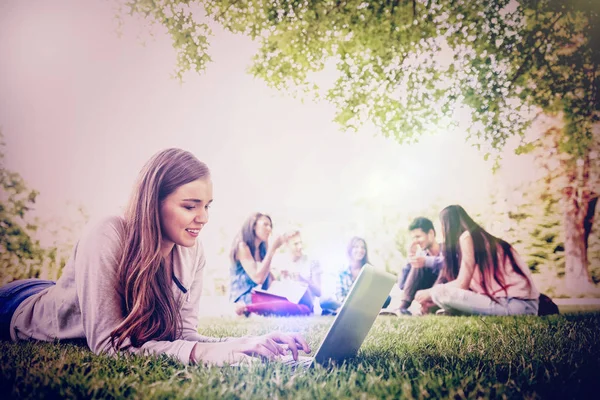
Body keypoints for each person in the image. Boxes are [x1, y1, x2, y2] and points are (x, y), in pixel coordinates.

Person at [0, 148, 310, 366]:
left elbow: (182, 335)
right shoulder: (107, 234)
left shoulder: (192, 251)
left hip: (60, 291)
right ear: (152, 203)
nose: (203, 218)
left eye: (207, 206)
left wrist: (248, 343)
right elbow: (108, 347)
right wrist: (204, 355)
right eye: (190, 207)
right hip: (16, 306)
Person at [416, 205, 540, 316]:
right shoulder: (479, 238)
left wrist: (430, 292)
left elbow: (461, 284)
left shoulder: (467, 237)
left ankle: (451, 309)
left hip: (516, 304)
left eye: (442, 226)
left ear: (448, 225)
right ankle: (450, 310)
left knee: (439, 292)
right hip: (522, 304)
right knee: (441, 294)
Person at [229, 212, 297, 314]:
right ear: (253, 226)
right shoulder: (242, 247)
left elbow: (267, 277)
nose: (269, 229)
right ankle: (247, 310)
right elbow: (258, 278)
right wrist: (272, 249)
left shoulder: (262, 249)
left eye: (270, 226)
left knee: (291, 302)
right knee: (284, 305)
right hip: (244, 298)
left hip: (260, 295)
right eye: (265, 224)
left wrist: (281, 282)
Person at [397, 217, 444, 315]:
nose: (416, 241)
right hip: (425, 297)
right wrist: (410, 259)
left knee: (443, 269)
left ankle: (434, 307)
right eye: (413, 238)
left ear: (431, 234)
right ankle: (401, 309)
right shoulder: (420, 257)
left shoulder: (446, 249)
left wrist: (425, 261)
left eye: (418, 237)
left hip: (442, 292)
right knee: (417, 265)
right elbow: (402, 285)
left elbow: (451, 268)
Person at [277, 231, 330, 314]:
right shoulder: (281, 262)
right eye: (296, 244)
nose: (300, 247)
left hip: (306, 304)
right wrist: (280, 277)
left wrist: (303, 280)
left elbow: (319, 292)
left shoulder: (312, 262)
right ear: (287, 245)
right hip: (286, 302)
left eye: (300, 243)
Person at [336, 236, 391, 309]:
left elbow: (374, 293)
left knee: (387, 298)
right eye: (356, 247)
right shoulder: (342, 271)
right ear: (350, 250)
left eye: (363, 248)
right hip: (346, 304)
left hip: (365, 303)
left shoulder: (370, 269)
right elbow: (339, 294)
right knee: (325, 301)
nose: (360, 250)